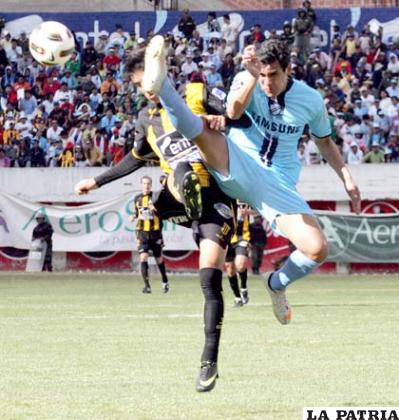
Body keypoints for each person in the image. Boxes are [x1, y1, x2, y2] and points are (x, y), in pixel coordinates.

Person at [141, 35, 361, 327]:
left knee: (316, 248)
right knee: (196, 128)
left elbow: (324, 142)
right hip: (237, 159)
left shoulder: (310, 100)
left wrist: (346, 177)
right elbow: (232, 111)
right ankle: (161, 82)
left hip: (276, 183)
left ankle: (276, 284)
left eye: (274, 75)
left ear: (288, 70)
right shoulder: (250, 77)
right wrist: (253, 77)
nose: (268, 82)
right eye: (264, 74)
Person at [74, 49, 236, 393]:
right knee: (171, 180)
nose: (147, 88)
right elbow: (134, 160)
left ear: (162, 70)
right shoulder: (148, 120)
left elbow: (241, 117)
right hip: (178, 196)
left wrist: (224, 121)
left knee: (209, 279)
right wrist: (96, 181)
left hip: (217, 199)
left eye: (149, 79)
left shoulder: (197, 93)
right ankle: (182, 190)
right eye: (139, 85)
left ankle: (209, 361)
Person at [131, 176, 169, 293]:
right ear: (141, 185)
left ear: (151, 185)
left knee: (159, 259)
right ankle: (147, 286)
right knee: (143, 257)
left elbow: (164, 214)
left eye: (148, 184)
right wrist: (134, 216)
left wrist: (155, 209)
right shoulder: (137, 198)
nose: (146, 186)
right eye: (144, 183)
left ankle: (164, 280)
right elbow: (137, 213)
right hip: (142, 232)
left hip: (155, 232)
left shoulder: (156, 197)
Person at [224, 201, 251, 307]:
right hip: (226, 235)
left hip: (242, 237)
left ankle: (243, 287)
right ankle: (237, 297)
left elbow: (260, 211)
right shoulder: (225, 195)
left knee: (240, 265)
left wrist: (249, 211)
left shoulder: (246, 196)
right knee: (230, 269)